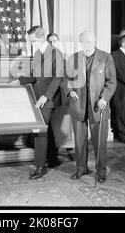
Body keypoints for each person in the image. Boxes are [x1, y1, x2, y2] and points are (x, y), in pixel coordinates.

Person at [13, 26, 64, 179]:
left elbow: (58, 77)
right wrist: (20, 80)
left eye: (33, 41)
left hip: (47, 99)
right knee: (45, 128)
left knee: (40, 131)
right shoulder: (37, 53)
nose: (32, 44)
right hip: (38, 96)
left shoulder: (56, 53)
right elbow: (35, 77)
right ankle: (53, 159)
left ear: (41, 38)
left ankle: (40, 167)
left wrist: (46, 96)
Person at [66, 31, 116, 183]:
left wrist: (104, 98)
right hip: (78, 106)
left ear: (94, 42)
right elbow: (67, 79)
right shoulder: (73, 58)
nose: (86, 46)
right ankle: (81, 168)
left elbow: (111, 82)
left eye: (88, 42)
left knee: (99, 142)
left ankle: (101, 172)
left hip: (98, 106)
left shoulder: (106, 57)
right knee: (79, 141)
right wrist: (71, 91)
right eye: (83, 43)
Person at [47, 33, 75, 161]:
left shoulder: (67, 58)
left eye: (55, 41)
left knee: (68, 122)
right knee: (56, 123)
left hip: (66, 92)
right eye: (50, 41)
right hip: (55, 95)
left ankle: (70, 148)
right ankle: (56, 148)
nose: (53, 43)